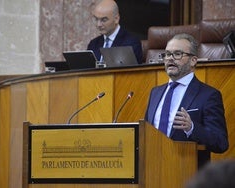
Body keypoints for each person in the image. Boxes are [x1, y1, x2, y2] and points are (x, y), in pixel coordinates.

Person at [144, 33, 229, 168]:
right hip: (153, 170)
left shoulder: (208, 95)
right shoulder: (155, 92)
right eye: (167, 54)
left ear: (193, 60)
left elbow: (221, 143)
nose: (170, 59)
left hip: (187, 173)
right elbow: (146, 133)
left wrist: (192, 128)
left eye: (177, 54)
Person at [87, 0, 143, 64]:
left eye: (104, 20)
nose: (98, 24)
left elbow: (134, 72)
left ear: (116, 19)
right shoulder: (93, 44)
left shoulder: (131, 43)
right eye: (96, 19)